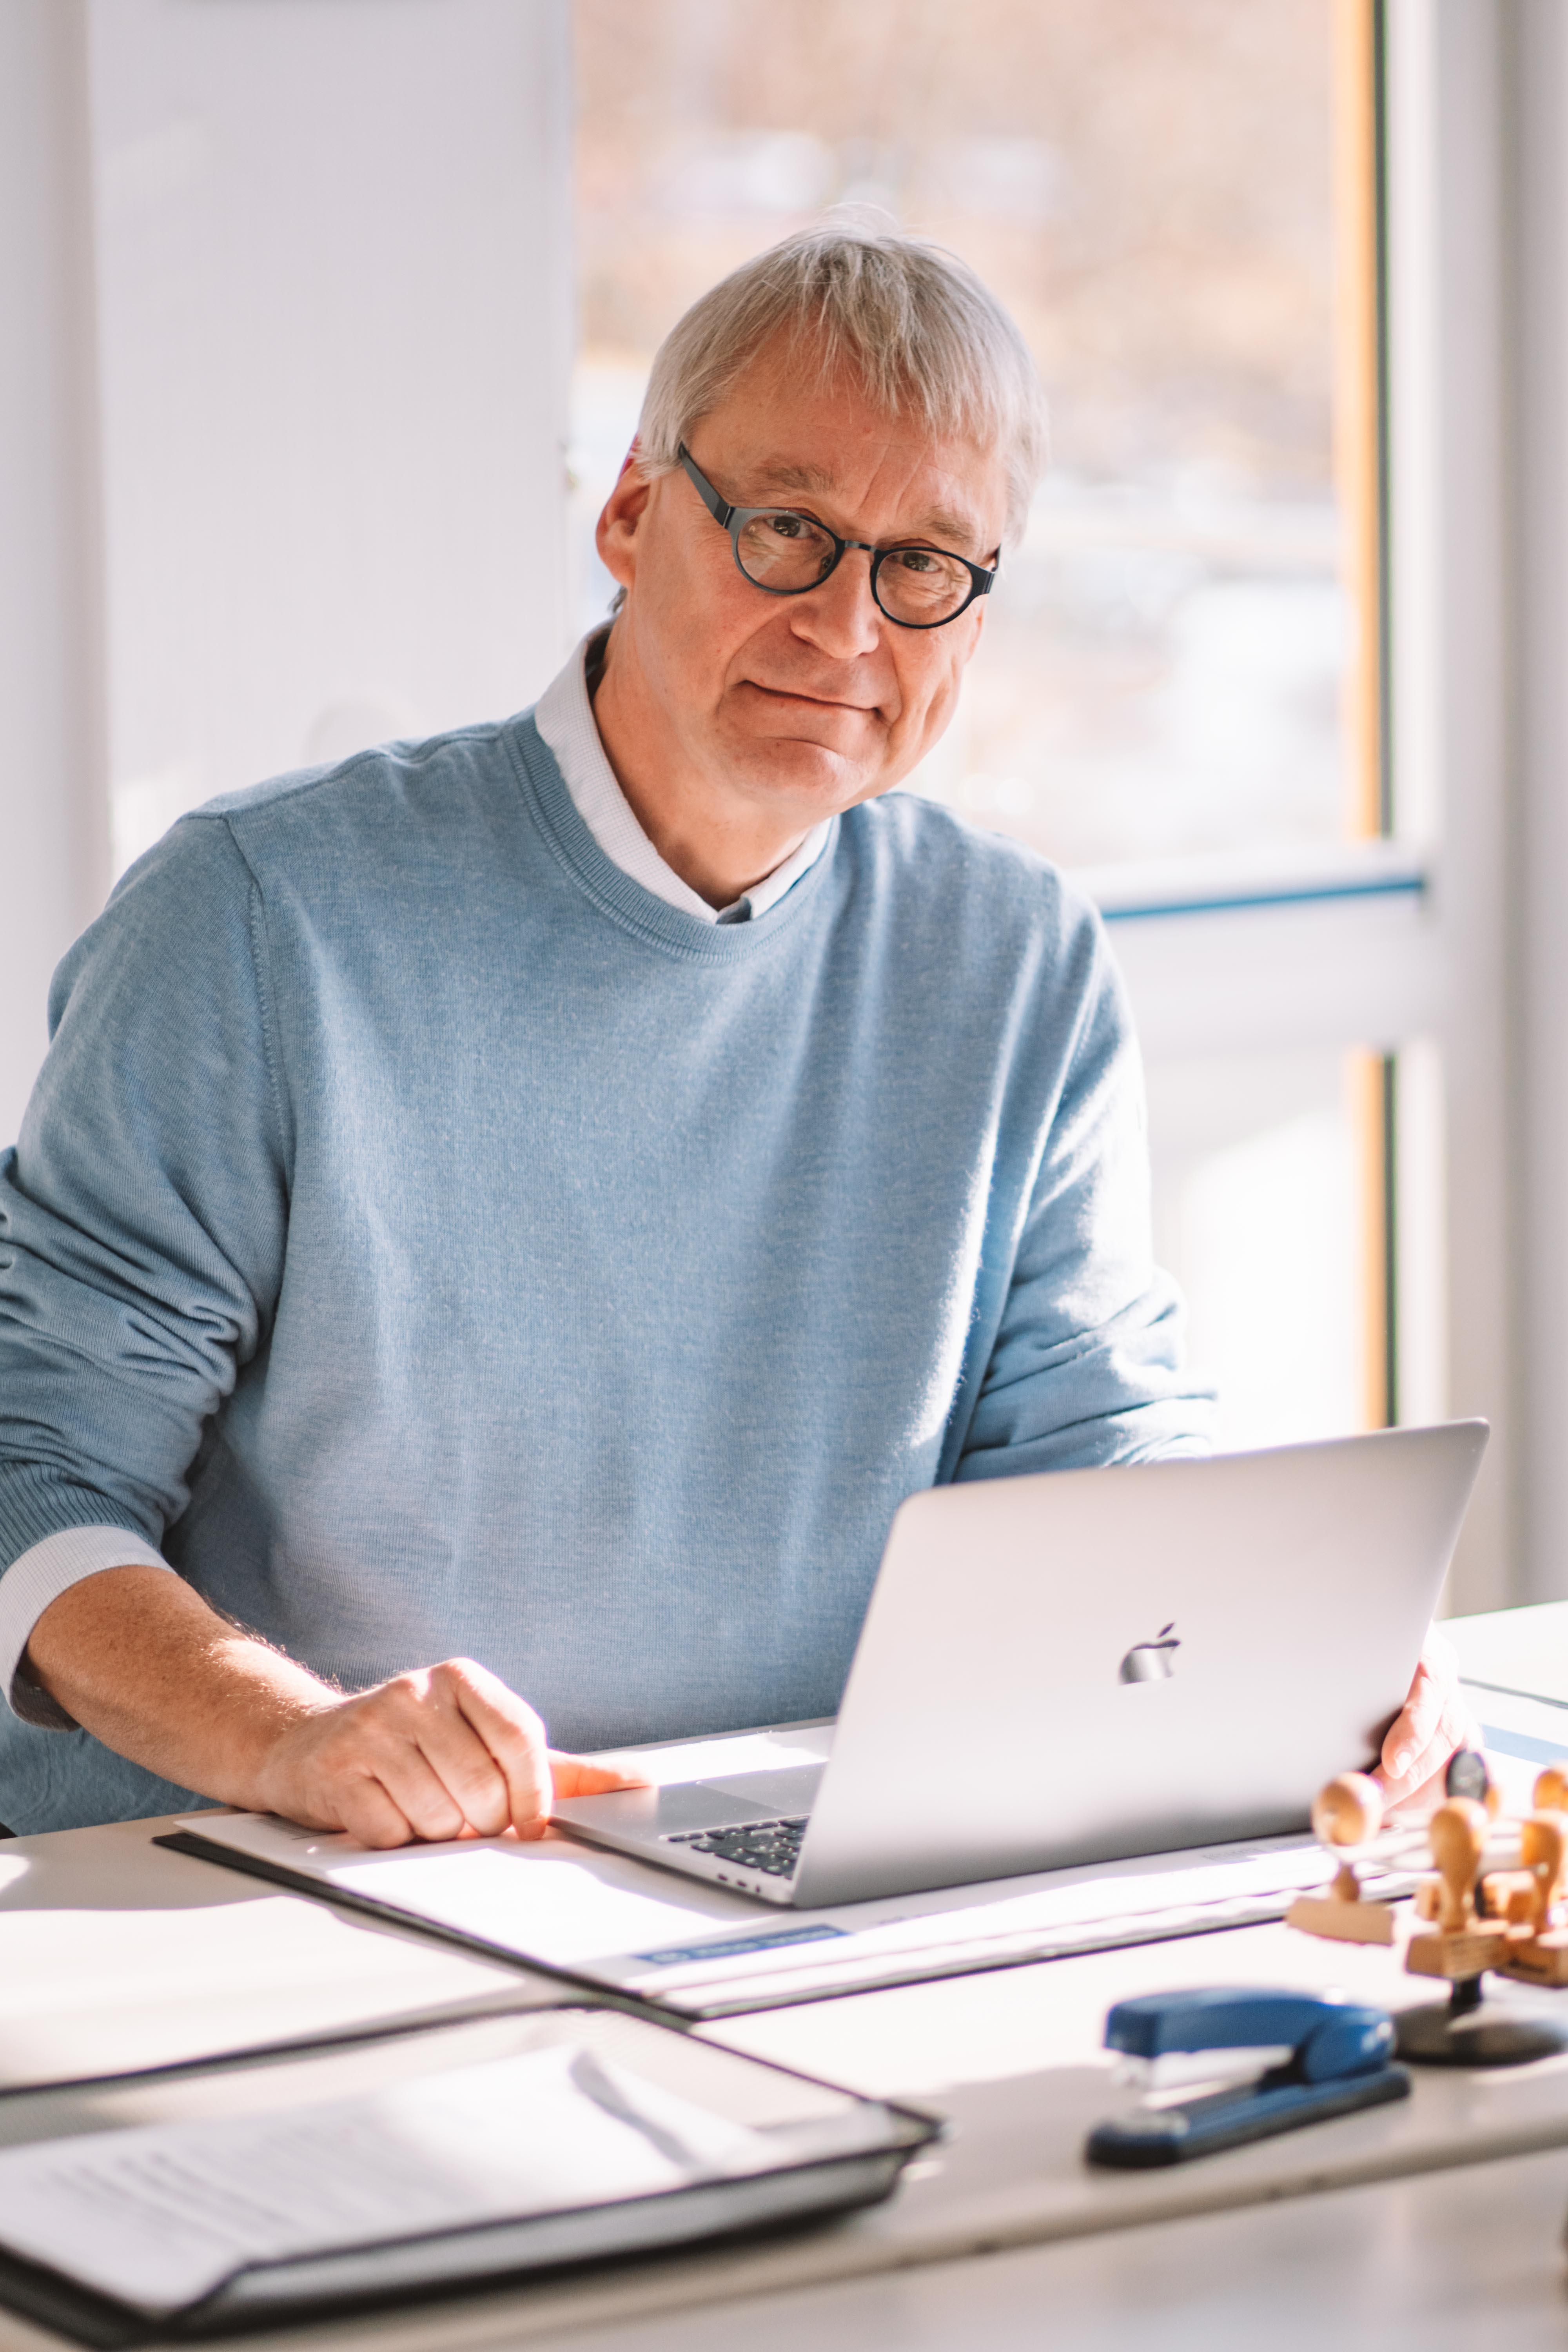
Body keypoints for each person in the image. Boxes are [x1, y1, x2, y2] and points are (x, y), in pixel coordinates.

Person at [0, 225, 1467, 1844]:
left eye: (924, 565)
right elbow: (33, 1469)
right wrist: (287, 1737)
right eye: (787, 530)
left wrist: (1298, 1645)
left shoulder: (1014, 957)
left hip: (783, 1873)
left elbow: (1091, 1441)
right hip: (263, 1881)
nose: (847, 630)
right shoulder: (259, 916)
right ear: (632, 513)